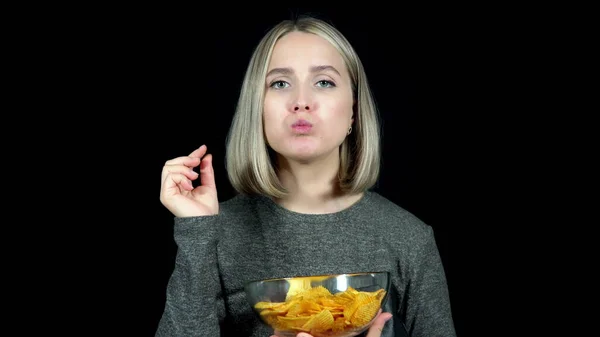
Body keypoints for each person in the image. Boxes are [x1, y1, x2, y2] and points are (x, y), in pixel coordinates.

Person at [156, 15, 456, 337]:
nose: (301, 102)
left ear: (353, 109)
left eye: (324, 82)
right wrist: (197, 234)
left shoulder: (409, 239)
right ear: (258, 107)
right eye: (280, 83)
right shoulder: (215, 233)